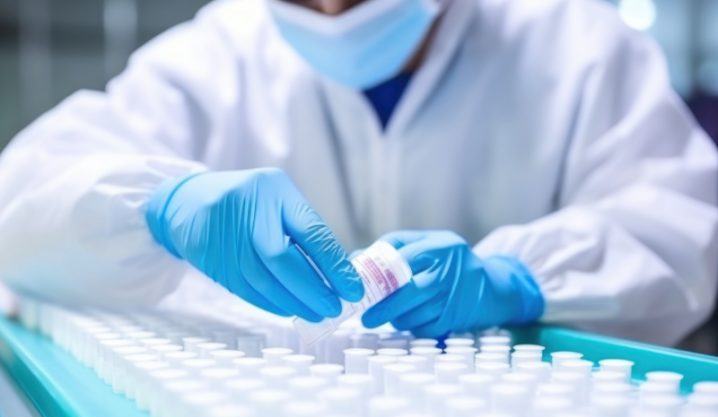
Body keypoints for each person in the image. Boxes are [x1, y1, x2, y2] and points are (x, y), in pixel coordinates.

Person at [0, 0, 716, 345]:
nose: (335, 13)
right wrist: (160, 203)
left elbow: (682, 219)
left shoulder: (573, 42)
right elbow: (23, 193)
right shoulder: (219, 54)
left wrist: (524, 279)